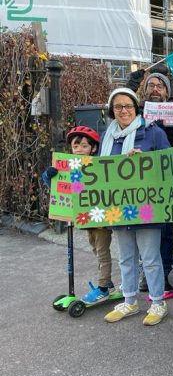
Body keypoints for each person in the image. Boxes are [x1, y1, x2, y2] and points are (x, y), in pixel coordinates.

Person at [101, 87, 171, 326]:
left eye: (128, 106)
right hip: (118, 208)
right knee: (125, 257)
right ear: (112, 110)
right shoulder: (107, 136)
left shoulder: (153, 133)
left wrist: (146, 162)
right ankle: (130, 301)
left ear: (136, 108)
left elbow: (169, 166)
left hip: (146, 206)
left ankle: (158, 302)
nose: (123, 111)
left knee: (150, 258)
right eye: (118, 106)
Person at [127, 66, 173, 291]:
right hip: (140, 181)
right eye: (151, 85)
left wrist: (170, 131)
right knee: (140, 227)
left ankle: (165, 271)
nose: (155, 89)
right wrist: (131, 83)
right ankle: (145, 272)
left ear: (167, 93)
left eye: (160, 86)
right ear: (144, 91)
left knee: (165, 229)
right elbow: (118, 108)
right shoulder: (136, 113)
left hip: (166, 181)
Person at [42, 126, 115, 304]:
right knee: (96, 250)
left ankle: (103, 287)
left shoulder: (100, 165)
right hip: (85, 219)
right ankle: (107, 281)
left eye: (84, 146)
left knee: (102, 252)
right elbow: (59, 187)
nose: (80, 150)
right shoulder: (70, 167)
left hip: (101, 219)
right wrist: (48, 176)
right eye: (76, 147)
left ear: (94, 148)